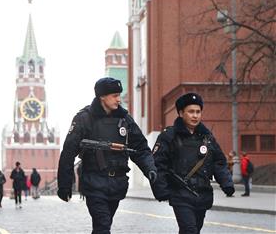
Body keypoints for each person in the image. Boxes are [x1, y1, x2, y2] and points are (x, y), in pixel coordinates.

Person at [57, 77, 157, 234]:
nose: (119, 99)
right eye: (115, 95)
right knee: (103, 225)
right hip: (94, 182)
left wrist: (150, 168)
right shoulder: (84, 118)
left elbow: (140, 148)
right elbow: (68, 152)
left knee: (103, 226)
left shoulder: (124, 119)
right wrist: (64, 184)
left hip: (117, 183)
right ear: (102, 96)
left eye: (119, 95)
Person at [152, 92, 235, 234]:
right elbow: (158, 164)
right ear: (180, 113)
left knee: (194, 230)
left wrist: (227, 183)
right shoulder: (169, 136)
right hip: (180, 193)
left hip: (202, 193)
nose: (195, 115)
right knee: (189, 229)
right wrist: (161, 190)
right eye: (191, 112)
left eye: (198, 112)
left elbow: (218, 162)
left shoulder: (207, 137)